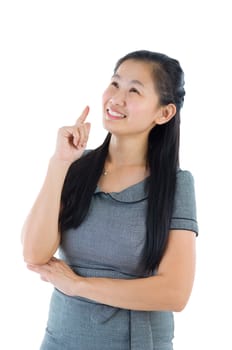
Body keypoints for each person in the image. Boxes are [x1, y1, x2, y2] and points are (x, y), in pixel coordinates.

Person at [21, 50, 198, 350]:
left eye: (134, 90)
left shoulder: (176, 185)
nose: (116, 98)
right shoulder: (76, 167)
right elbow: (34, 254)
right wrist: (59, 163)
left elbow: (174, 292)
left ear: (164, 113)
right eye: (115, 84)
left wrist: (78, 285)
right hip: (60, 341)